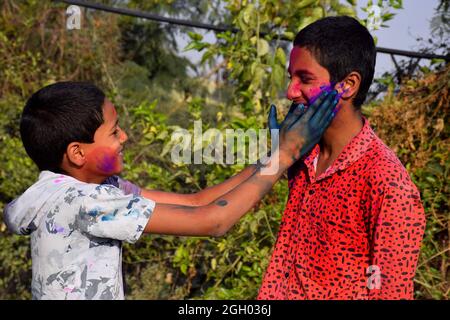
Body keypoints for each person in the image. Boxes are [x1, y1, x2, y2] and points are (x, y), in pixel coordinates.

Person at [3, 81, 338, 299]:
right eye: (114, 132)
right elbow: (213, 221)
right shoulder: (85, 202)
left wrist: (274, 156)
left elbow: (198, 201)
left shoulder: (90, 188)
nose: (124, 138)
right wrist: (287, 154)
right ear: (77, 153)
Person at [258, 16, 426, 300]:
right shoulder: (303, 151)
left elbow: (390, 292)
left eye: (305, 79)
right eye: (291, 78)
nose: (290, 91)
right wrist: (278, 153)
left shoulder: (387, 183)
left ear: (347, 85)